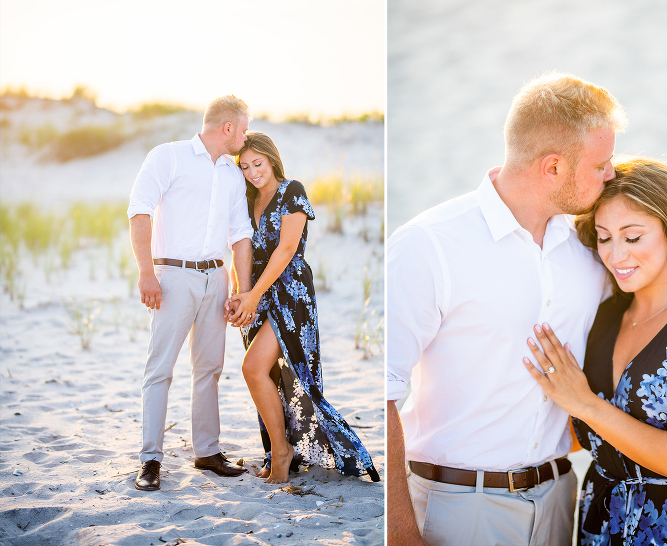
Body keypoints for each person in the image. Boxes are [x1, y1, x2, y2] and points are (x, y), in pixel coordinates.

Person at [387, 73, 627, 545]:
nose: (611, 174)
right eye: (602, 163)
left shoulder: (591, 252)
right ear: (554, 167)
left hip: (560, 502)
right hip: (459, 509)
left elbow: (636, 340)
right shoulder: (429, 245)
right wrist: (400, 533)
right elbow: (383, 391)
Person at [523, 157, 667, 545]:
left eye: (633, 237)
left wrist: (586, 404)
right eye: (604, 237)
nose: (616, 255)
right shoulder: (607, 313)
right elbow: (591, 436)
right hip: (601, 521)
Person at [225, 131, 380, 484]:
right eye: (245, 166)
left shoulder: (292, 190)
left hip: (289, 295)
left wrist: (252, 295)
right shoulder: (246, 198)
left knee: (254, 369)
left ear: (272, 160)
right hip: (257, 296)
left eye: (258, 164)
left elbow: (285, 250)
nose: (252, 172)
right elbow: (239, 248)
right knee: (275, 377)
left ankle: (282, 452)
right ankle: (278, 449)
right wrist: (240, 293)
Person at [127, 95, 254, 491]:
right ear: (228, 127)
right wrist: (146, 272)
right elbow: (140, 210)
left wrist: (242, 289)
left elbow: (241, 234)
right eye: (244, 128)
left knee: (209, 369)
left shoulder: (233, 175)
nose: (246, 136)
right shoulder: (169, 156)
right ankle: (150, 459)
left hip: (215, 278)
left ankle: (207, 451)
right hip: (172, 276)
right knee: (160, 369)